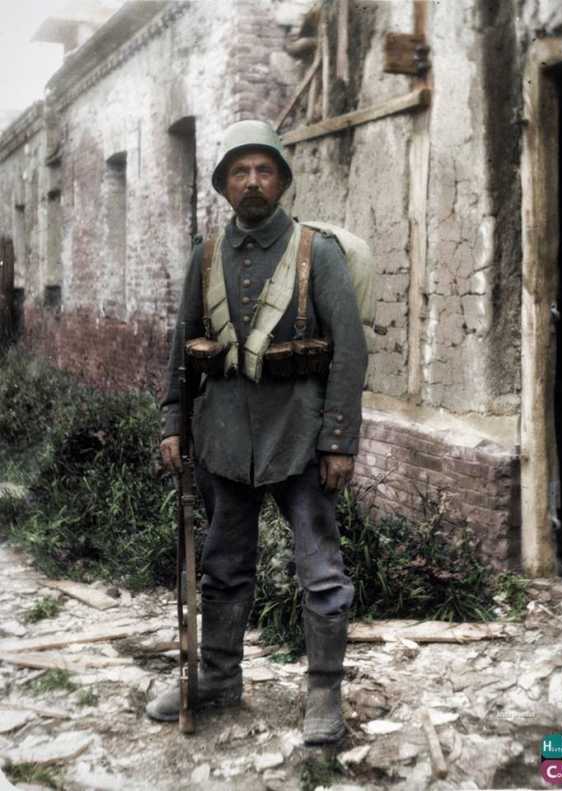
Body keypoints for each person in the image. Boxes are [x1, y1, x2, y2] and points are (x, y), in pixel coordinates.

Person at [145, 120, 368, 745]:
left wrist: (339, 441)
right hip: (223, 438)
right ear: (223, 185)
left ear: (282, 181)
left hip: (300, 438)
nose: (251, 182)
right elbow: (183, 346)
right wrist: (173, 422)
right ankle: (219, 679)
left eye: (263, 170)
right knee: (222, 566)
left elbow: (349, 353)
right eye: (239, 171)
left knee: (321, 572)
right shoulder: (206, 255)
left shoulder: (316, 253)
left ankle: (323, 693)